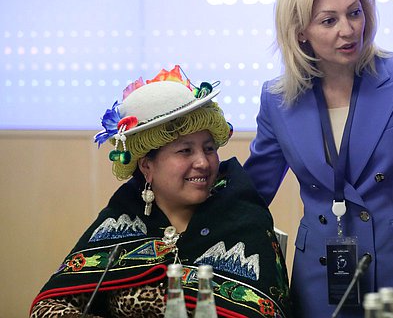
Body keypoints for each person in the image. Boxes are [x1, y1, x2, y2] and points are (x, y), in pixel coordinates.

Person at [243, 0, 393, 317]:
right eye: (329, 20)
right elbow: (253, 193)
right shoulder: (278, 99)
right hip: (321, 272)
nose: (348, 29)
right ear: (300, 32)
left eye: (354, 13)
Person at [30, 65, 291, 318]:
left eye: (209, 148)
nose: (203, 162)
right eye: (185, 150)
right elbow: (49, 308)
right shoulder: (120, 221)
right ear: (147, 165)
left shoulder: (244, 220)